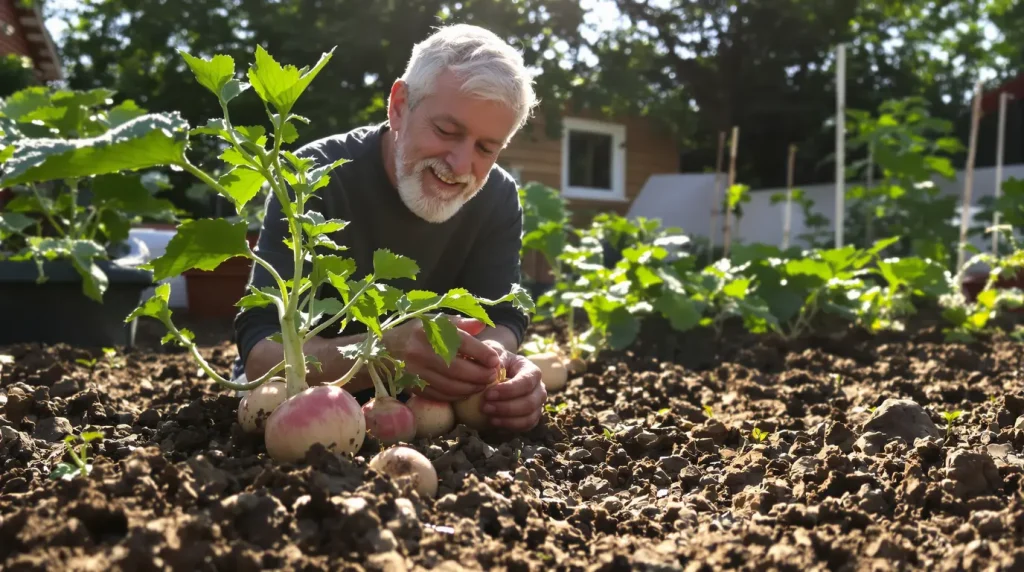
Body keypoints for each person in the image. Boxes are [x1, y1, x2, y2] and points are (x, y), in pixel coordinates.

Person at [232, 24, 547, 433]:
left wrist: (496, 365)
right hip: (304, 411)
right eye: (446, 131)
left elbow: (502, 317)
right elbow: (260, 352)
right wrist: (381, 354)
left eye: (487, 149)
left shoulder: (499, 197)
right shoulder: (314, 176)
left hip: (420, 417)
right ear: (399, 105)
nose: (460, 165)